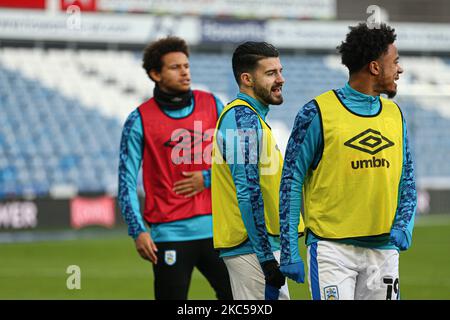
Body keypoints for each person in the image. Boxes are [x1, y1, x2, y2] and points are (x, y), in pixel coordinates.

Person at [279, 23, 417, 300]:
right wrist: (290, 249)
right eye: (395, 62)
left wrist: (404, 224)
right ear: (375, 67)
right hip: (332, 251)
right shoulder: (315, 113)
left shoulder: (395, 114)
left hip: (383, 251)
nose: (399, 69)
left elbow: (408, 177)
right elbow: (290, 181)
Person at [118, 36, 232, 300]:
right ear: (155, 74)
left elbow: (240, 156)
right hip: (169, 234)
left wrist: (206, 177)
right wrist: (137, 230)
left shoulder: (213, 104)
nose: (184, 72)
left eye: (186, 65)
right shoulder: (138, 120)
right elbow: (125, 182)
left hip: (220, 231)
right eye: (175, 67)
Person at [211, 41, 304, 300]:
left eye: (280, 71)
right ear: (247, 79)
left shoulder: (253, 118)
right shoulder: (243, 120)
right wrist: (267, 260)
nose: (281, 79)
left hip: (258, 246)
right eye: (271, 73)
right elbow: (248, 192)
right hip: (251, 249)